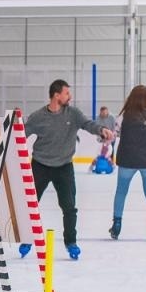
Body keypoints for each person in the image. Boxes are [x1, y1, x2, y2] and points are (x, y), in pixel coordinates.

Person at [23, 79, 111, 260]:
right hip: (40, 165)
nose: (69, 97)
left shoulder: (73, 114)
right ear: (56, 95)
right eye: (66, 93)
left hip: (64, 166)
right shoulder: (38, 117)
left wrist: (102, 129)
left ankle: (71, 242)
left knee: (69, 207)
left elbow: (88, 124)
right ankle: (26, 238)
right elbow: (20, 133)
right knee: (30, 205)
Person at [110, 85, 146, 241]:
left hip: (127, 159)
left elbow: (117, 133)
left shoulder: (123, 116)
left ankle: (117, 225)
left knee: (121, 192)